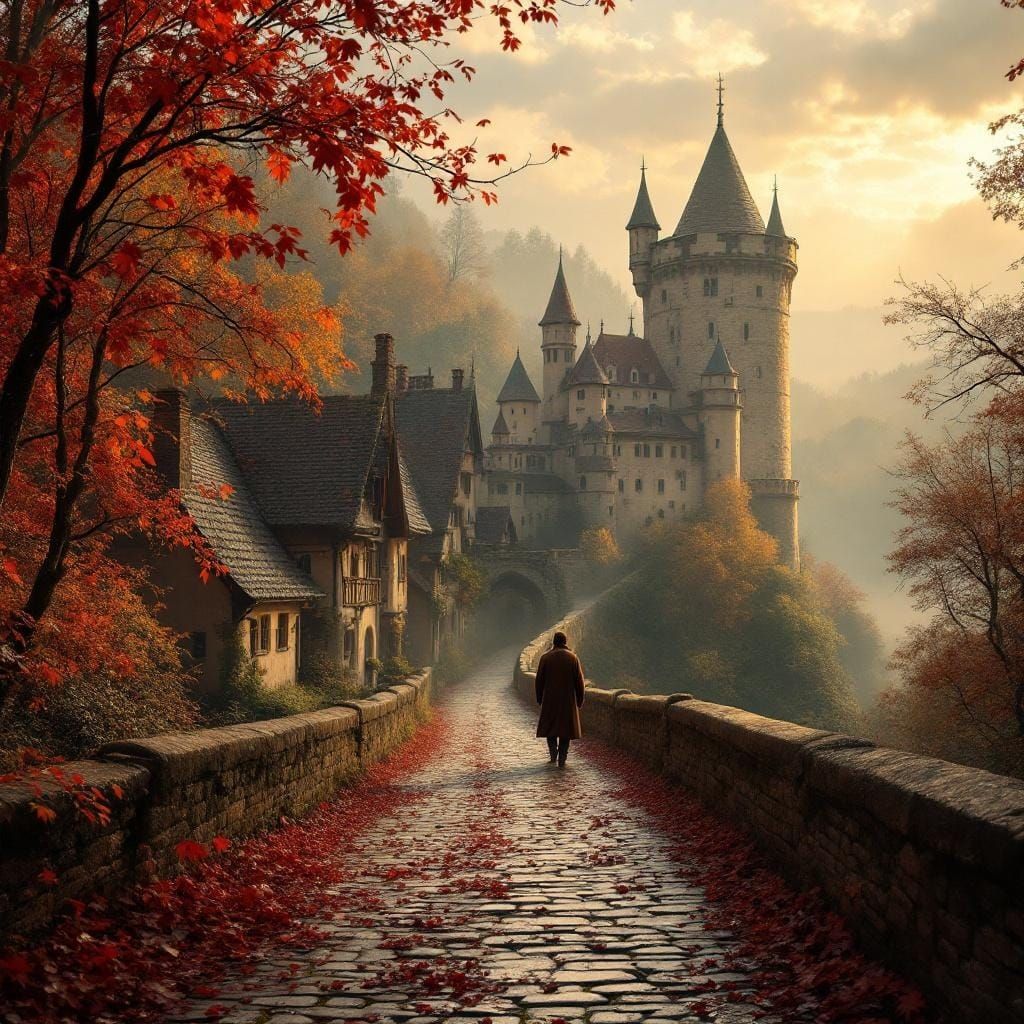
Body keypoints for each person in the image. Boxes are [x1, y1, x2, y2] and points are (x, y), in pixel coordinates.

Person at [535, 630, 586, 767]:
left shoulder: (545, 658)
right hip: (567, 701)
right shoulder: (572, 658)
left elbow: (539, 681)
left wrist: (539, 698)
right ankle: (562, 757)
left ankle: (553, 753)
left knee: (550, 728)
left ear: (554, 642)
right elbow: (579, 682)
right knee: (566, 730)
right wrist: (580, 699)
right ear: (565, 642)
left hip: (550, 700)